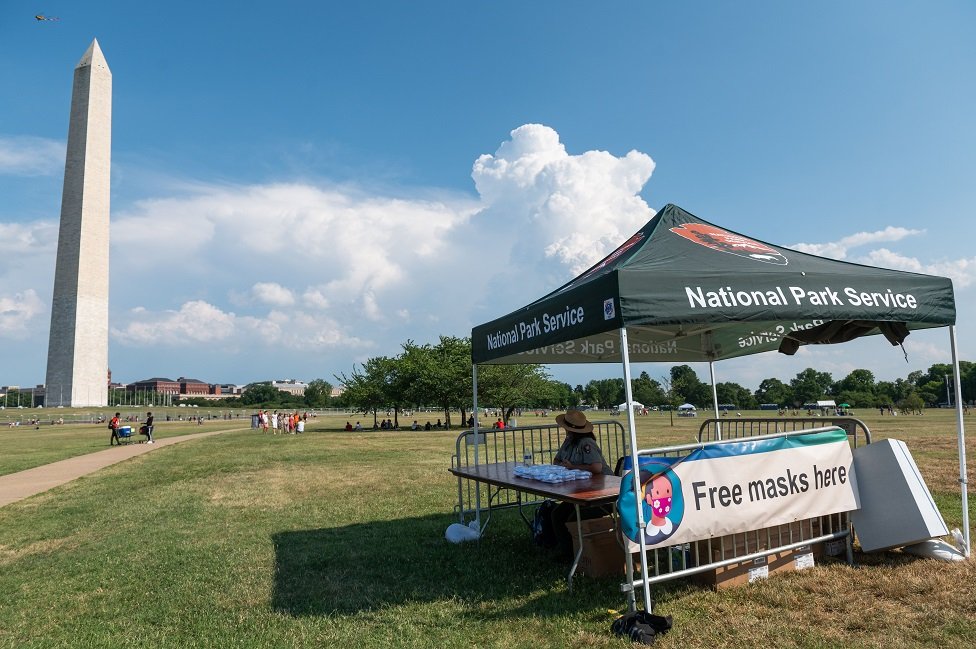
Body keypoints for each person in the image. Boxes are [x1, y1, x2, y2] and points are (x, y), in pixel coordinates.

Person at [549, 409, 612, 558]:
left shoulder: (586, 443)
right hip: (580, 491)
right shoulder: (569, 442)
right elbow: (556, 461)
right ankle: (567, 551)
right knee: (557, 514)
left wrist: (572, 466)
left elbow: (597, 467)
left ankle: (577, 555)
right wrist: (564, 465)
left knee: (573, 519)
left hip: (601, 494)